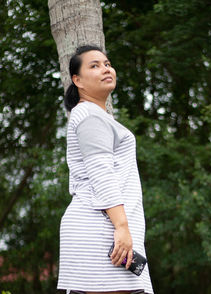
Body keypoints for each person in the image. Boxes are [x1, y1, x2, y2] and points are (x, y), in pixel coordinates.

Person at [57, 45, 154, 294]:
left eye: (107, 64)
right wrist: (121, 227)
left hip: (106, 229)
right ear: (77, 80)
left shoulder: (97, 116)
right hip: (101, 229)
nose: (105, 69)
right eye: (95, 65)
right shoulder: (89, 115)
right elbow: (102, 174)